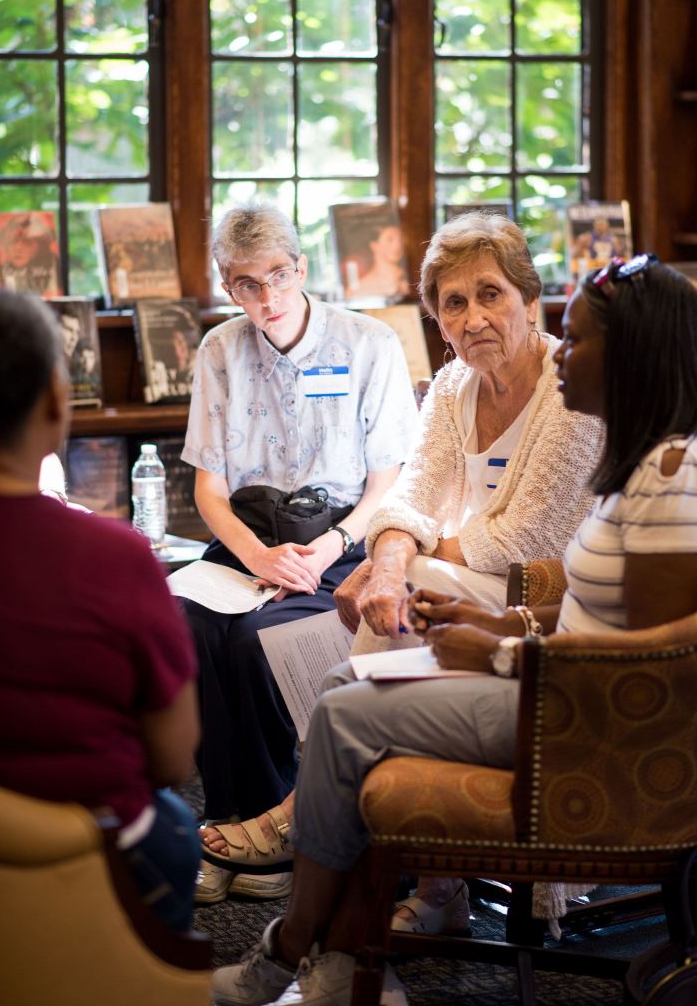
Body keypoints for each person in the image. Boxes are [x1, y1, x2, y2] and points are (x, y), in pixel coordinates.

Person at [210, 254, 697, 1006]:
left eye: (579, 338)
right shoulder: (649, 459)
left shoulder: (675, 478)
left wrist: (501, 652)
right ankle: (340, 947)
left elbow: (650, 664)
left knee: (342, 715)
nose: (561, 351)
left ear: (633, 355)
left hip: (598, 727)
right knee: (346, 683)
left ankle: (299, 949)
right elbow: (606, 608)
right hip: (568, 691)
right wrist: (499, 618)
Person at [201, 211, 605, 927]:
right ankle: (424, 887)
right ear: (438, 323)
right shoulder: (453, 387)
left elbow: (526, 534)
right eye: (453, 303)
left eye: (490, 294)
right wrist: (389, 558)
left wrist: (396, 560)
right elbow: (414, 495)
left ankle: (311, 824)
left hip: (544, 604)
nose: (474, 317)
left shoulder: (566, 385)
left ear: (526, 297)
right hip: (464, 586)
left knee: (394, 620)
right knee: (390, 607)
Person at [180, 204, 418, 905]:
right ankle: (225, 822)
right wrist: (255, 556)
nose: (266, 299)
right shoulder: (219, 350)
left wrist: (327, 547)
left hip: (338, 538)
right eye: (246, 285)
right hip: (248, 537)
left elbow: (389, 482)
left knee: (258, 638)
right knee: (185, 624)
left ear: (301, 268)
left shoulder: (368, 343)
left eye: (277, 277)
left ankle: (267, 834)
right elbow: (209, 488)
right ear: (228, 286)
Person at [0, 289, 201, 933]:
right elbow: (171, 759)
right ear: (55, 399)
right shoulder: (118, 557)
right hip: (95, 853)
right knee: (179, 825)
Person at [0, 211, 61, 298]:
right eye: (13, 241)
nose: (18, 248)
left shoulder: (52, 271)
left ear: (41, 246)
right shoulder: (3, 270)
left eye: (27, 242)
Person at [345, 221, 409, 300]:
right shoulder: (358, 288)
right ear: (374, 245)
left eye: (400, 240)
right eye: (390, 240)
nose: (397, 245)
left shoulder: (409, 280)